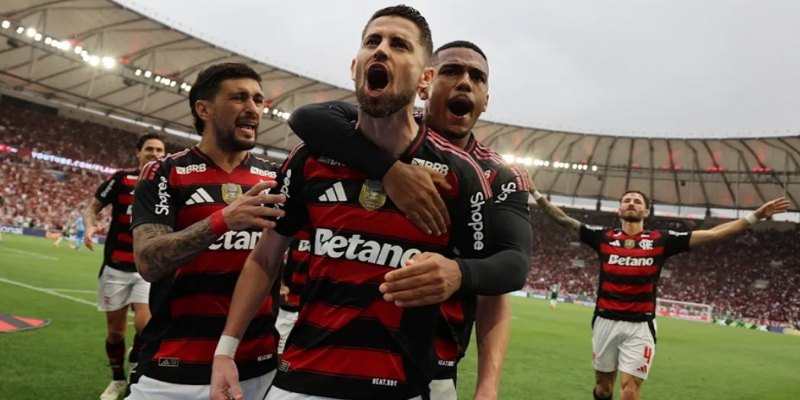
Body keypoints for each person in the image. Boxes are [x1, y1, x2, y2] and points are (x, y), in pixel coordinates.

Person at [210, 6, 498, 400]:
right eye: (372, 41)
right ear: (354, 66)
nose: (381, 50)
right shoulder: (309, 159)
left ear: (425, 78)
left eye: (399, 45)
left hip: (401, 388)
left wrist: (485, 384)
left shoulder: (460, 175)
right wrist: (225, 351)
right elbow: (265, 257)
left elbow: (489, 284)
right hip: (302, 381)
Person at [287, 40, 532, 399]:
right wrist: (390, 169)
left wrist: (487, 386)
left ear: (485, 100)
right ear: (425, 83)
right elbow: (307, 118)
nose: (465, 82)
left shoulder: (497, 175)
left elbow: (508, 269)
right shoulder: (379, 135)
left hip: (428, 369)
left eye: (477, 77)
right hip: (326, 355)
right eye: (451, 71)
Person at [528, 182, 789, 400]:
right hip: (605, 321)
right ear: (619, 209)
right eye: (627, 200)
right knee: (603, 388)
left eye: (637, 201)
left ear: (646, 211)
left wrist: (756, 216)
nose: (631, 203)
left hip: (640, 326)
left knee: (629, 391)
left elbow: (712, 234)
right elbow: (563, 219)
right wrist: (536, 193)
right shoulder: (603, 236)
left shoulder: (661, 240)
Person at [127, 62, 286, 400]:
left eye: (258, 100)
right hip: (173, 367)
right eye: (239, 98)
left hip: (256, 367)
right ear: (204, 109)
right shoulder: (164, 172)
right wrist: (222, 221)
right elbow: (148, 262)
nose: (253, 109)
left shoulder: (277, 177)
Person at [82, 132, 166, 400]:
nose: (154, 154)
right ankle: (117, 379)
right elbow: (92, 207)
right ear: (138, 152)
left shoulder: (167, 183)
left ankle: (135, 368)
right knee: (116, 333)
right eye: (149, 149)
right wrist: (89, 226)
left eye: (159, 150)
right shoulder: (121, 179)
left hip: (146, 270)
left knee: (146, 328)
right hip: (116, 268)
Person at [274, 228, 310, 355]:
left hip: (316, 308)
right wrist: (281, 285)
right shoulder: (295, 227)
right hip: (289, 306)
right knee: (281, 353)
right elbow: (275, 256)